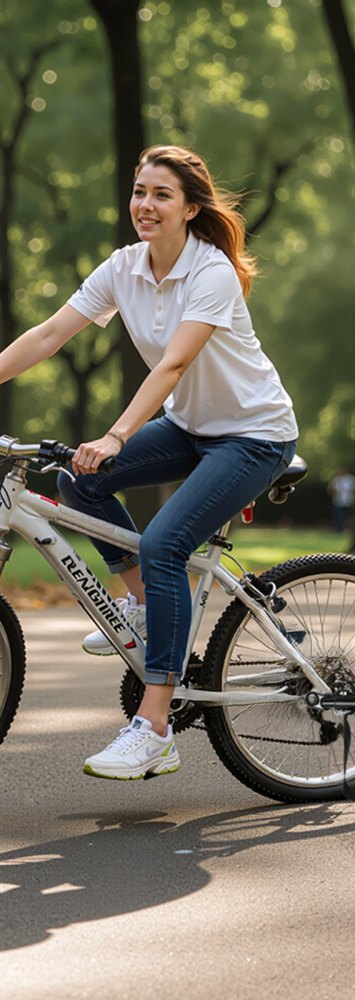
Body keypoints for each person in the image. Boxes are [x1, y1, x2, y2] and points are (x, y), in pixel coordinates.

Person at [0, 144, 298, 781]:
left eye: (161, 195)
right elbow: (50, 335)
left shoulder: (210, 272)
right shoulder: (123, 268)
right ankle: (140, 606)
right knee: (74, 479)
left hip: (253, 435)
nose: (145, 205)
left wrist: (115, 434)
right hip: (193, 427)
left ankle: (155, 728)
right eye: (139, 192)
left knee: (164, 544)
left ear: (190, 209)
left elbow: (173, 364)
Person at [328, 465, 355, 532]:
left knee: (346, 516)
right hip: (338, 501)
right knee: (338, 516)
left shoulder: (351, 479)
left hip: (348, 501)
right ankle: (339, 529)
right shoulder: (336, 479)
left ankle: (347, 528)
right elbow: (330, 489)